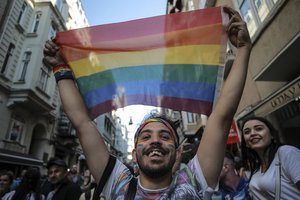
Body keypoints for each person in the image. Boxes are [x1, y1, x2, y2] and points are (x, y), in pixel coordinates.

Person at [43, 6, 252, 199]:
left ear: (177, 151)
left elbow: (222, 117)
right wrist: (60, 69)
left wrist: (243, 49)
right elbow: (81, 122)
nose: (155, 141)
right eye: (146, 136)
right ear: (134, 153)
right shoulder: (118, 182)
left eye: (164, 136)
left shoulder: (195, 179)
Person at [240, 116, 300, 199]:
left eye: (259, 129)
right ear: (246, 143)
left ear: (272, 135)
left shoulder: (286, 153)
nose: (252, 133)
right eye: (247, 132)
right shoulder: (256, 167)